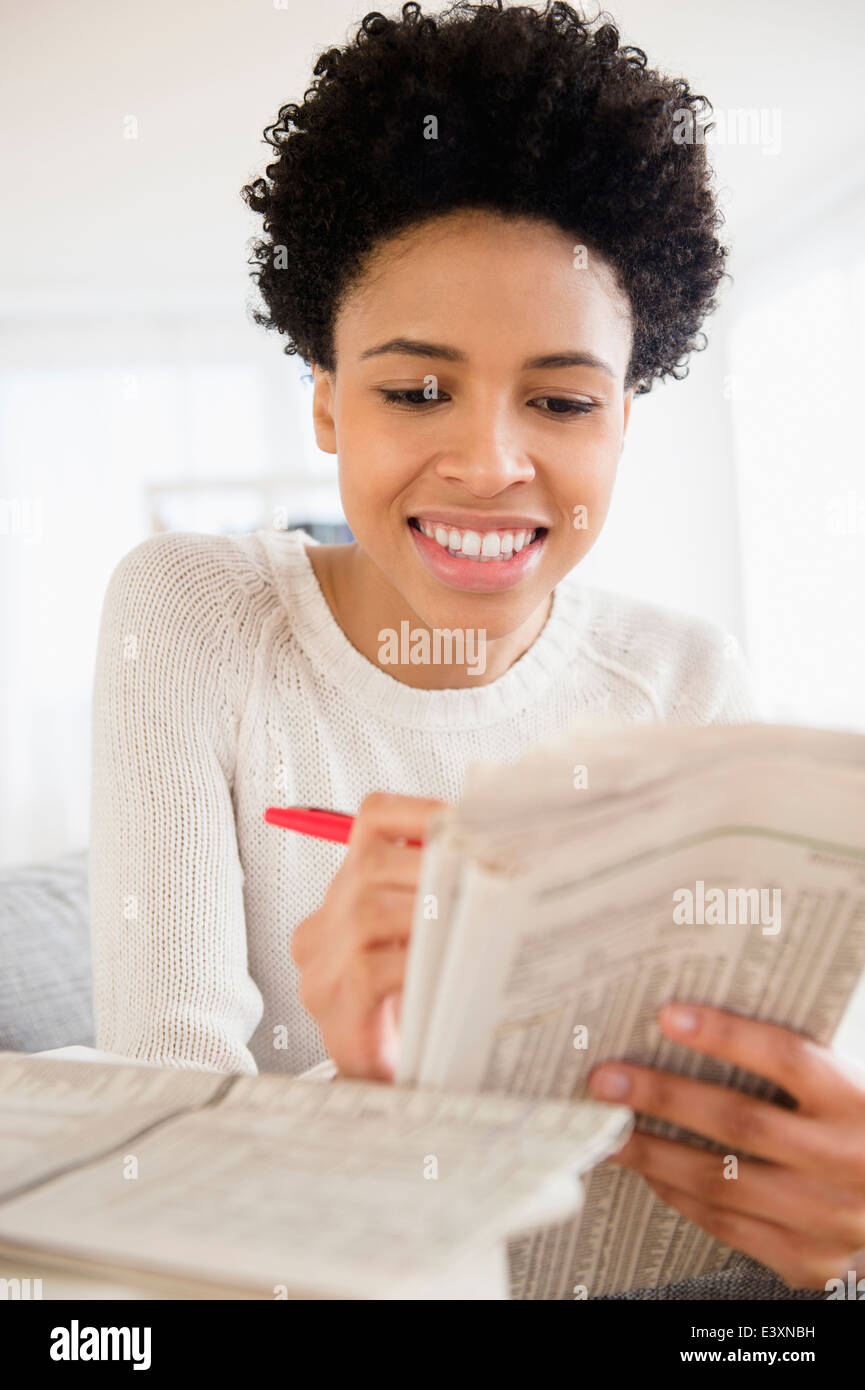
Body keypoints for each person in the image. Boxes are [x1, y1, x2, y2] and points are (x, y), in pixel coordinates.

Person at [89, 1, 865, 1299]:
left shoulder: (685, 680)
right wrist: (386, 1091)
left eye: (560, 401)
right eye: (412, 390)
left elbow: (723, 1149)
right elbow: (155, 1187)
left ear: (622, 422)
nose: (491, 462)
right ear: (329, 404)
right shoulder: (193, 615)